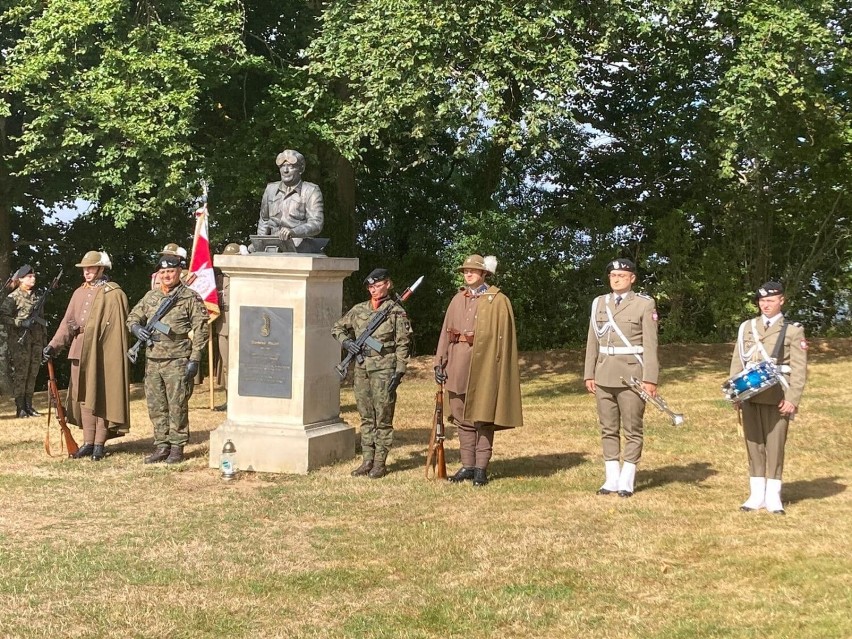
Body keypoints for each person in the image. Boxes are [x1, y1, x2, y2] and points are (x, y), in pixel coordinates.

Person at [434, 254, 523, 486]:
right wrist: (439, 361)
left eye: (473, 271)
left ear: (484, 274)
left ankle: (481, 467)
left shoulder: (498, 301)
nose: (469, 274)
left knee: (483, 418)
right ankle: (468, 465)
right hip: (457, 365)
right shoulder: (457, 299)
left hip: (484, 368)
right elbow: (446, 332)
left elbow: (504, 341)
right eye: (466, 271)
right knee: (462, 417)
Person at [42, 251, 131, 460]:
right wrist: (53, 346)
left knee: (101, 395)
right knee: (83, 396)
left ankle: (100, 442)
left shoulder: (114, 294)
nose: (87, 272)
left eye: (91, 268)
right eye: (84, 269)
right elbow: (67, 323)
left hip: (102, 353)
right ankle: (88, 441)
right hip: (79, 350)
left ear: (101, 269)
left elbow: (118, 329)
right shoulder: (78, 293)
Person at [584, 258, 659, 498]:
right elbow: (592, 340)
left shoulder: (644, 304)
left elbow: (650, 345)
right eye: (612, 275)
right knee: (608, 428)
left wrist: (650, 379)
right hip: (604, 373)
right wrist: (589, 372)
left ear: (632, 278)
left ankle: (627, 478)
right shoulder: (599, 303)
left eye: (621, 275)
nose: (616, 279)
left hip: (632, 375)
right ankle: (611, 477)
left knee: (632, 428)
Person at [730, 281, 807, 515]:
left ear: (781, 300)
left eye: (771, 300)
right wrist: (736, 390)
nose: (766, 305)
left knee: (774, 445)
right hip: (751, 394)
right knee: (753, 444)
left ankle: (773, 496)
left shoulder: (792, 330)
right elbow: (738, 360)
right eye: (762, 301)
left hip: (777, 395)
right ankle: (756, 494)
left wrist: (792, 398)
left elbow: (799, 368)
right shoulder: (747, 327)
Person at [127, 254, 209, 464]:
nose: (166, 275)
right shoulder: (151, 297)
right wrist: (136, 329)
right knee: (156, 405)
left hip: (178, 358)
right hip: (153, 358)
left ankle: (177, 447)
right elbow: (133, 317)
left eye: (170, 271)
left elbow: (201, 329)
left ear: (179, 272)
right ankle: (161, 445)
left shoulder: (189, 297)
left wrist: (195, 358)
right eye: (162, 272)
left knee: (177, 404)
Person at [332, 268, 411, 479]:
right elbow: (337, 328)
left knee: (383, 416)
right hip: (361, 367)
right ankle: (367, 460)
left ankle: (380, 463)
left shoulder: (395, 311)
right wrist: (348, 343)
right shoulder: (359, 310)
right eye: (370, 286)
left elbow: (403, 343)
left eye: (377, 285)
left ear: (388, 284)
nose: (373, 290)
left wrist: (400, 370)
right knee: (366, 416)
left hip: (385, 368)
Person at [1, 265, 46, 418]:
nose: (33, 279)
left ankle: (29, 405)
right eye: (29, 277)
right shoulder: (12, 297)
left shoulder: (37, 297)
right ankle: (20, 407)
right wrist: (20, 323)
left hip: (36, 341)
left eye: (33, 276)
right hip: (20, 342)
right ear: (20, 279)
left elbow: (42, 321)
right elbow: (4, 317)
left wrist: (44, 341)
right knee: (21, 374)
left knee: (33, 373)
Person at [257, 150, 324, 240]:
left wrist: (294, 232)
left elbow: (316, 224)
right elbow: (264, 220)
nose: (285, 170)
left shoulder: (311, 191)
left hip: (300, 246)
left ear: (301, 169)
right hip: (274, 245)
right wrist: (260, 243)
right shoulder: (270, 189)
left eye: (291, 166)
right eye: (282, 166)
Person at [212, 243, 243, 411]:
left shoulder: (245, 279)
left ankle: (241, 399)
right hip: (223, 325)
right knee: (226, 365)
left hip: (240, 326)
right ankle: (229, 399)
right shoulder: (218, 280)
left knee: (240, 364)